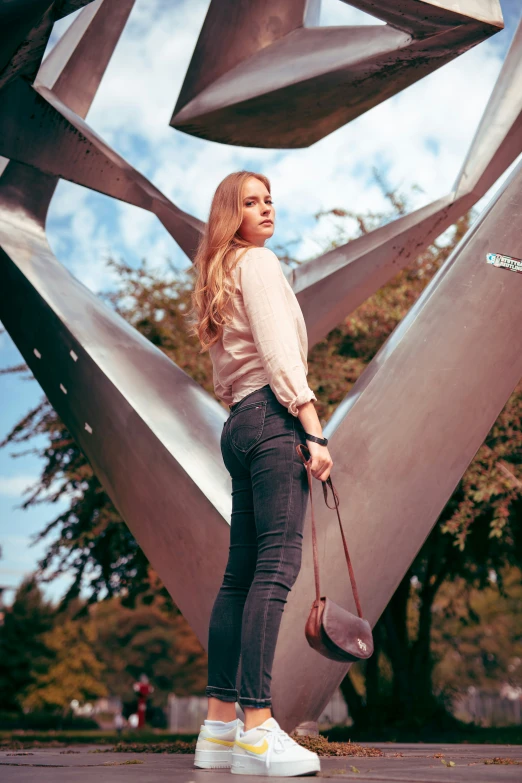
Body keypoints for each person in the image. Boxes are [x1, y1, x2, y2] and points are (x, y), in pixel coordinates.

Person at [186, 170, 333, 776]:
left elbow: (233, 372)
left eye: (269, 199)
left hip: (238, 425)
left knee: (240, 576)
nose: (267, 208)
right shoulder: (259, 265)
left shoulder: (218, 277)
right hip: (272, 419)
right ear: (231, 214)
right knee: (275, 569)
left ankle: (219, 728)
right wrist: (313, 425)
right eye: (251, 202)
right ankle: (257, 727)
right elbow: (279, 351)